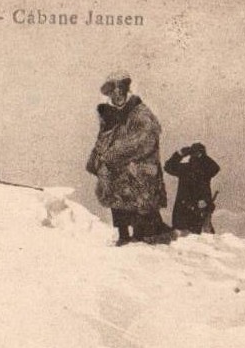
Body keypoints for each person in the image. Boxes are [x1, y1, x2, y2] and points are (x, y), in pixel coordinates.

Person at [84, 71, 168, 244]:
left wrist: (114, 153)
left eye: (120, 90)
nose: (116, 95)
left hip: (139, 168)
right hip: (116, 170)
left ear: (126, 90)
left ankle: (144, 236)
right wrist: (95, 159)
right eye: (112, 92)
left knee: (141, 202)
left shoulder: (140, 112)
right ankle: (123, 235)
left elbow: (144, 138)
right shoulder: (109, 116)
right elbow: (103, 139)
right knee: (116, 198)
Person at [164, 142, 221, 233]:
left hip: (191, 210)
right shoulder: (188, 169)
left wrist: (180, 154)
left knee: (194, 238)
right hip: (187, 210)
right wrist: (179, 154)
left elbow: (216, 168)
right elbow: (167, 167)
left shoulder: (202, 169)